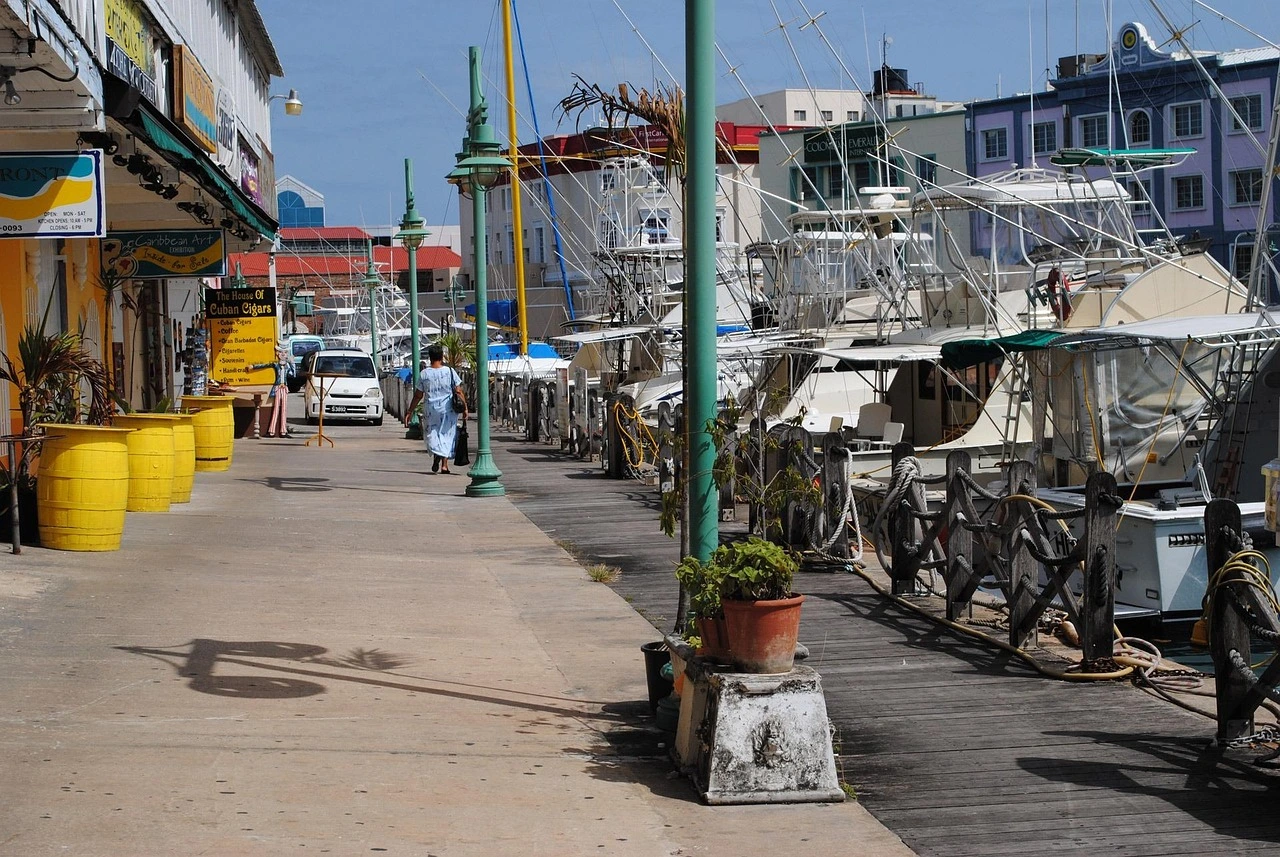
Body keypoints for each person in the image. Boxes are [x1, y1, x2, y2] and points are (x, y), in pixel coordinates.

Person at [405, 343, 467, 474]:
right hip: (448, 409)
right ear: (442, 356)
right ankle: (444, 465)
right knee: (447, 435)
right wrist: (465, 407)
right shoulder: (450, 371)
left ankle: (436, 455)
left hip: (431, 409)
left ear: (430, 357)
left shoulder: (424, 374)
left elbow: (418, 395)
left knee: (432, 433)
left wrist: (410, 411)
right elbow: (458, 391)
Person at [251, 344, 292, 438]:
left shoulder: (288, 366)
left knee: (284, 409)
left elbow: (292, 375)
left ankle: (283, 431)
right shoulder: (276, 364)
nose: (283, 354)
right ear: (278, 353)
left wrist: (292, 363)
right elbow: (265, 365)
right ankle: (271, 431)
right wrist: (253, 366)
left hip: (284, 387)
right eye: (281, 352)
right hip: (277, 387)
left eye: (285, 352)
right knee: (276, 408)